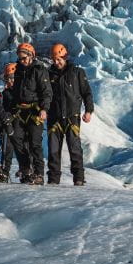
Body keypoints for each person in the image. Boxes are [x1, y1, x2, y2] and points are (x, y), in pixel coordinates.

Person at [47, 43, 94, 186]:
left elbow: (87, 93)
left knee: (75, 149)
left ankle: (79, 178)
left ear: (65, 57)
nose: (56, 62)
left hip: (72, 117)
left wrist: (88, 111)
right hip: (54, 117)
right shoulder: (48, 74)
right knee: (53, 150)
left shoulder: (77, 72)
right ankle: (53, 180)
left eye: (59, 59)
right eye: (54, 59)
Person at [8, 43, 52, 185]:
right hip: (20, 111)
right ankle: (26, 168)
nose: (22, 61)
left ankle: (38, 173)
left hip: (35, 111)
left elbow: (46, 92)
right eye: (20, 58)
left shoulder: (39, 70)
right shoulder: (19, 70)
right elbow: (16, 91)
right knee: (16, 138)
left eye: (24, 58)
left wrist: (44, 109)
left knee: (34, 143)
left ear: (31, 55)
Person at [0, 63, 19, 181]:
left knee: (25, 148)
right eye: (8, 78)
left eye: (12, 78)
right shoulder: (4, 94)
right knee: (7, 148)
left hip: (20, 123)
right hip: (8, 123)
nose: (10, 81)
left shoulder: (22, 92)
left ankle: (26, 169)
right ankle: (5, 171)